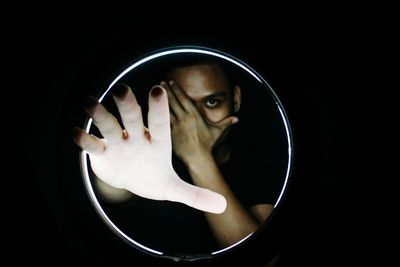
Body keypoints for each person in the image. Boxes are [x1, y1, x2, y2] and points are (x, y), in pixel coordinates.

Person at [73, 54, 286, 254]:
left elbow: (263, 257)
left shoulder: (263, 162)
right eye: (182, 106)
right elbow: (115, 192)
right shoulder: (146, 154)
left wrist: (196, 154)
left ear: (236, 99)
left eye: (212, 101)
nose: (193, 121)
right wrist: (109, 183)